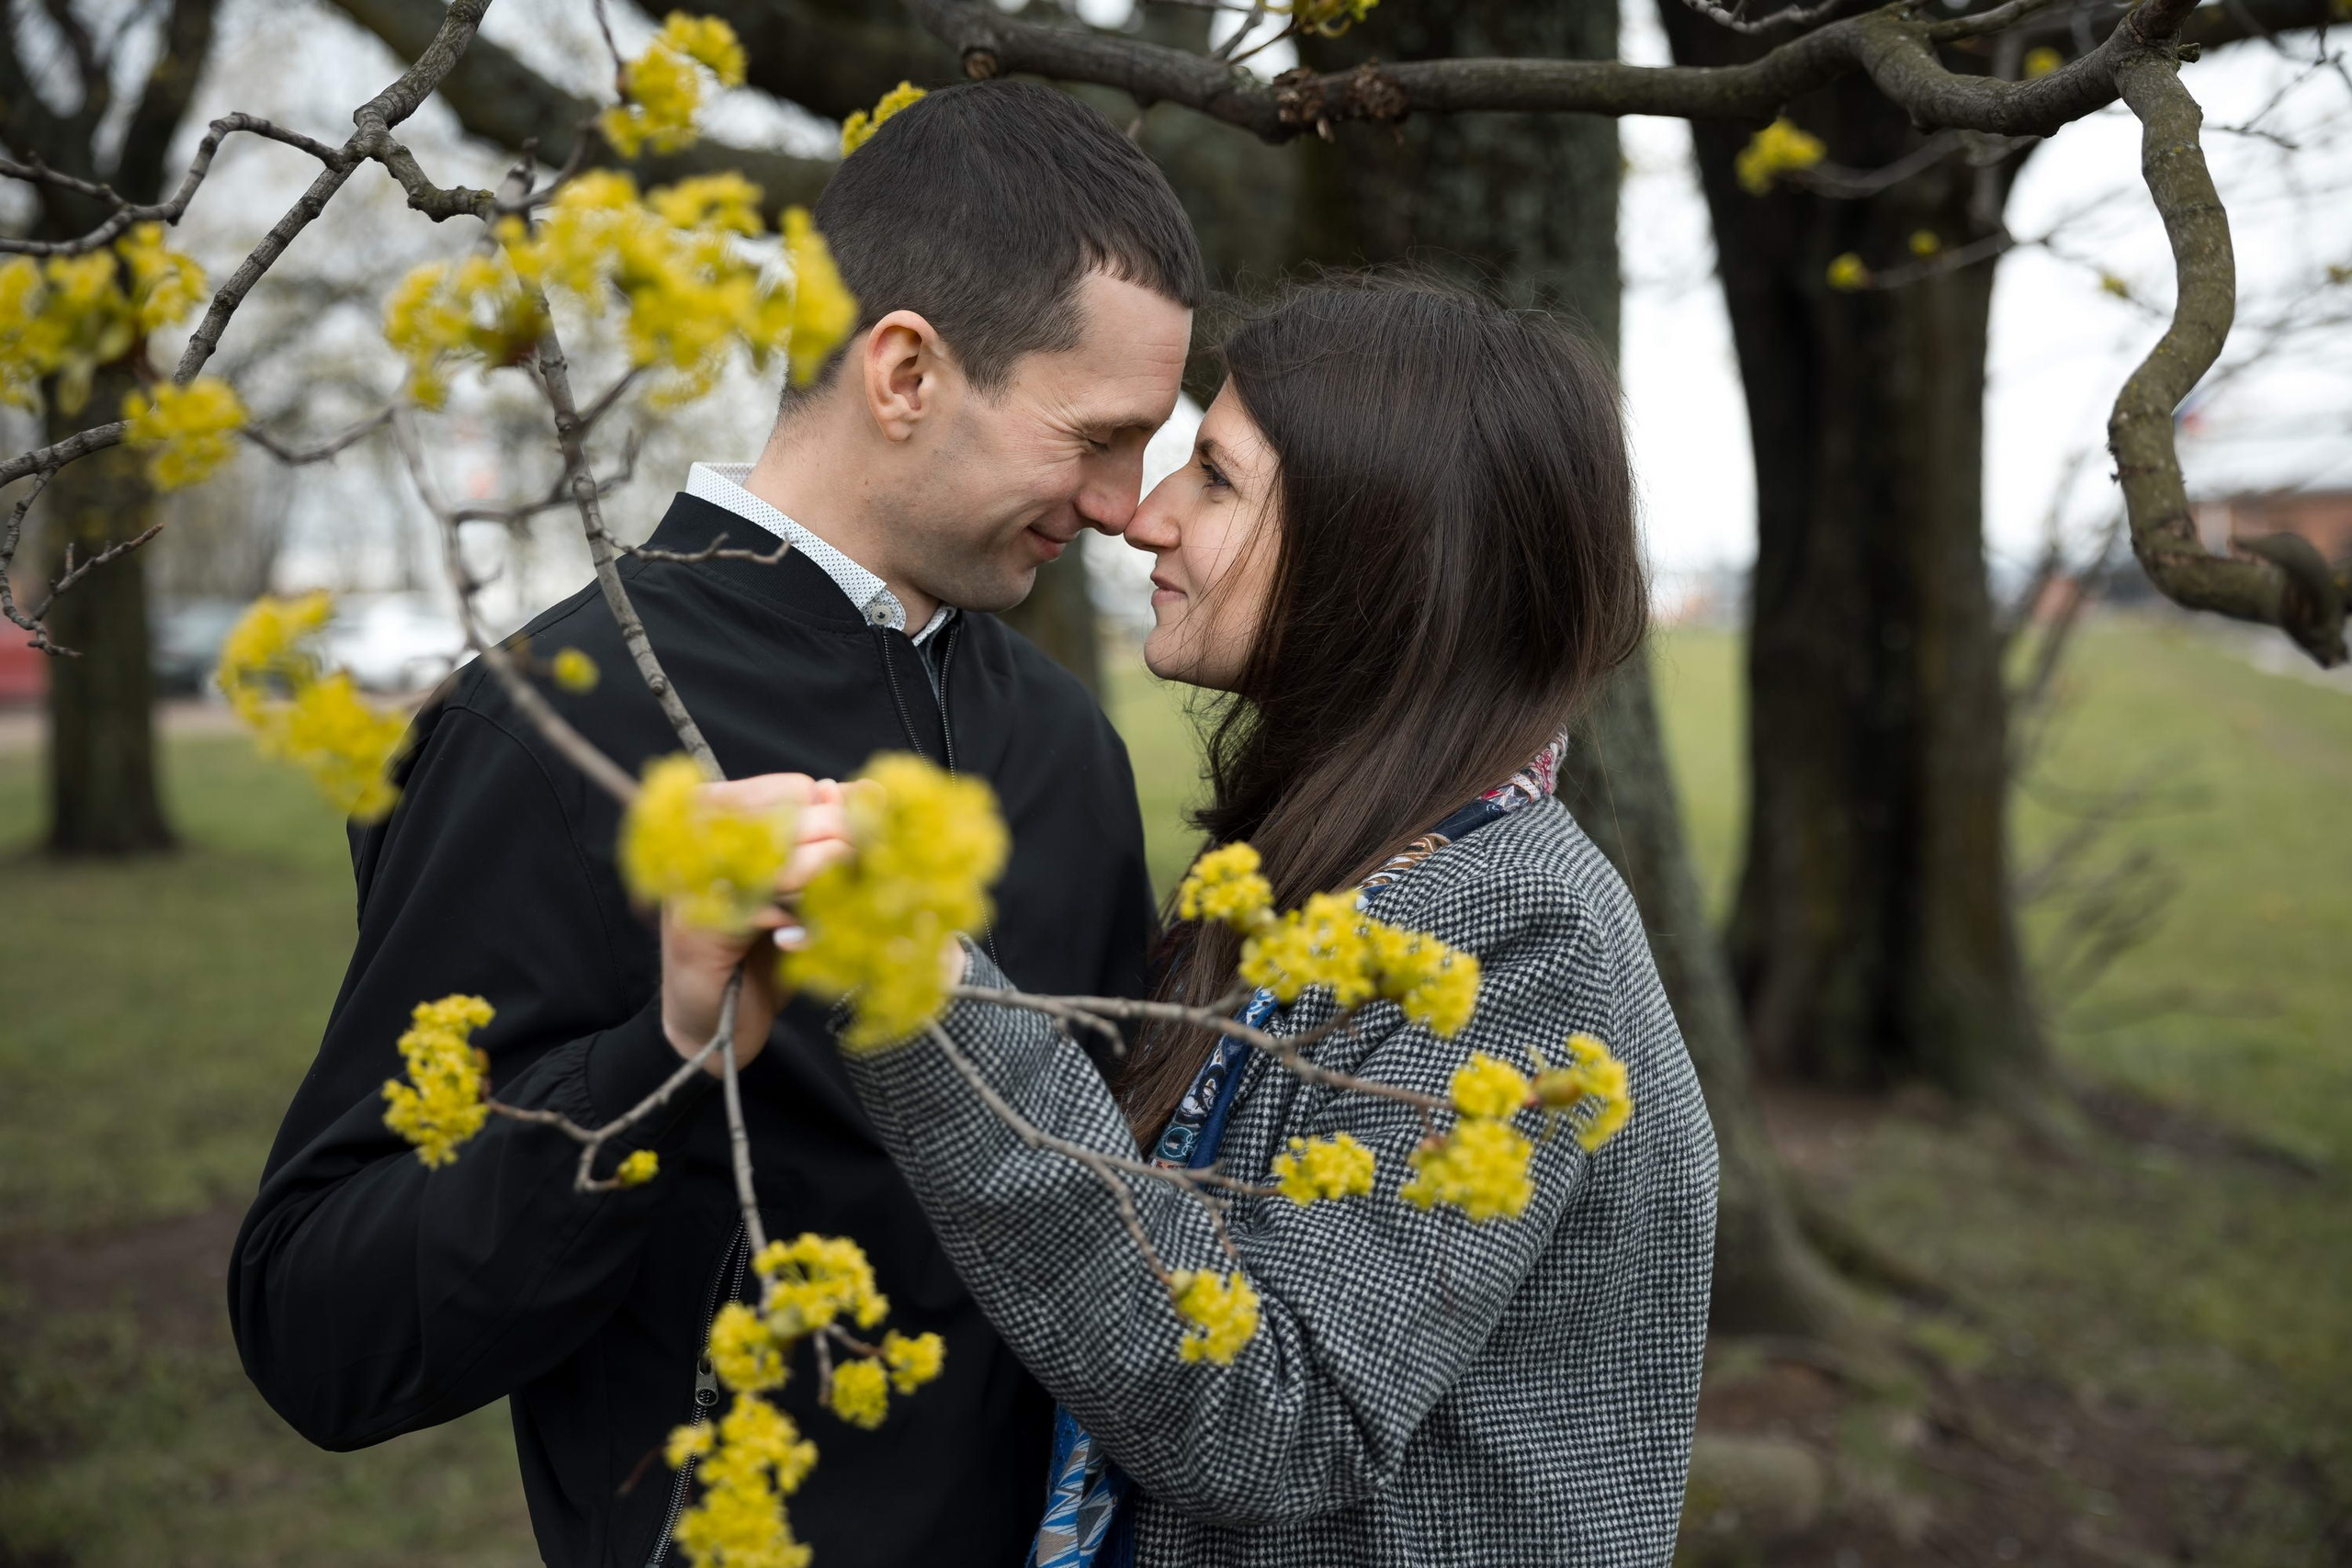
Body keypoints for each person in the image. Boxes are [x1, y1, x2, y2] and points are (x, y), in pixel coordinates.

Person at [227, 81, 1203, 1568]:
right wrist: (663, 1059)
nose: (1132, 506)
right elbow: (319, 1332)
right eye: (1098, 437)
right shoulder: (555, 723)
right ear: (904, 374)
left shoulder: (1063, 741)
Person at [672, 276, 1719, 1566]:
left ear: (1381, 547)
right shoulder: (1328, 880)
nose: (1141, 516)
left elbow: (1270, 1416)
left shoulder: (1510, 930)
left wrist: (926, 992)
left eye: (1214, 479)